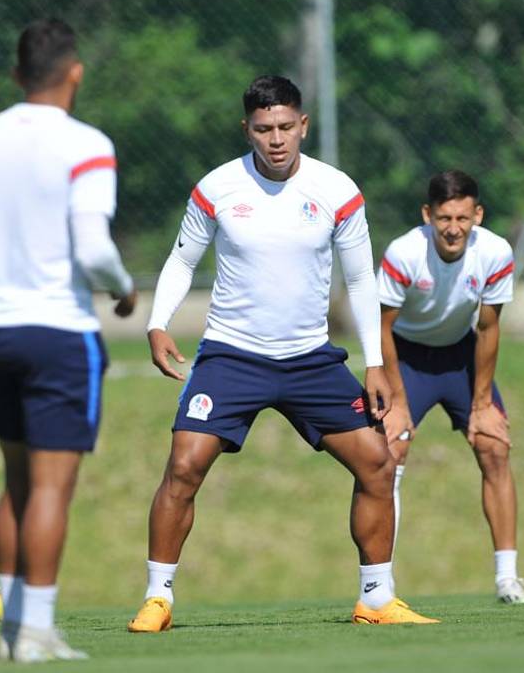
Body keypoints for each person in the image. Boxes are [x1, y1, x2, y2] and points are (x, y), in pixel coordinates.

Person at [127, 75, 436, 633]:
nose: (276, 140)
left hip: (309, 360)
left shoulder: (337, 189)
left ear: (303, 126)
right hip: (231, 357)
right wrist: (156, 323)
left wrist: (374, 362)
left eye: (286, 128)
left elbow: (362, 278)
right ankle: (158, 599)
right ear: (246, 129)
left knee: (377, 462)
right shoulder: (217, 188)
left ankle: (377, 597)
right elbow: (181, 261)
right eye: (264, 129)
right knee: (183, 465)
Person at [0, 17, 136, 663]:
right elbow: (93, 247)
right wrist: (122, 287)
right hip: (59, 330)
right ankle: (35, 631)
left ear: (15, 74)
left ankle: (11, 632)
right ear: (75, 72)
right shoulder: (86, 142)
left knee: (17, 480)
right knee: (53, 488)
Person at [376, 170, 524, 605]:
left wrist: (482, 404)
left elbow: (488, 326)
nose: (453, 228)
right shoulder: (404, 253)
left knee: (494, 445)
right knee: (389, 452)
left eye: (463, 218)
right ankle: (380, 584)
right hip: (406, 359)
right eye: (444, 217)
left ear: (477, 215)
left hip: (460, 357)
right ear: (428, 215)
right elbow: (382, 329)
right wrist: (399, 404)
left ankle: (508, 580)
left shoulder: (496, 252)